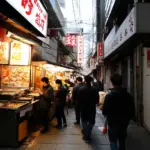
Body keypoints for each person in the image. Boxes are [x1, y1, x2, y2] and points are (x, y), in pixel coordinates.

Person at [102, 74, 135, 150]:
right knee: (122, 140)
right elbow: (132, 110)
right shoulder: (128, 95)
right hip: (124, 122)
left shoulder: (109, 96)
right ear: (121, 82)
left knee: (113, 141)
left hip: (112, 122)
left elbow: (105, 111)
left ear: (112, 83)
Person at [78, 76, 99, 143]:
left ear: (85, 81)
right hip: (92, 108)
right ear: (90, 81)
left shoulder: (81, 89)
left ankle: (86, 135)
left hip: (83, 108)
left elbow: (79, 101)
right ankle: (88, 134)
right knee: (91, 121)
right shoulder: (95, 89)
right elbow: (97, 101)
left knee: (84, 121)